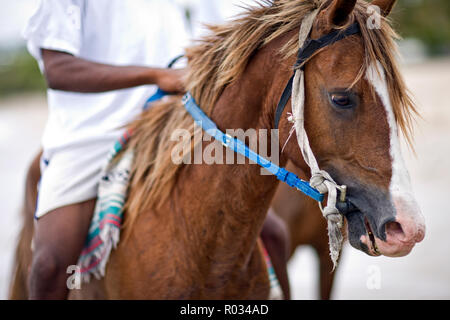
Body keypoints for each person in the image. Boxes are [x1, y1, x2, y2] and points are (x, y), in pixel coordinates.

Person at [23, 0, 290, 299]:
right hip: (90, 136)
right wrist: (155, 75)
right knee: (50, 264)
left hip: (171, 126)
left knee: (274, 234)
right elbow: (57, 69)